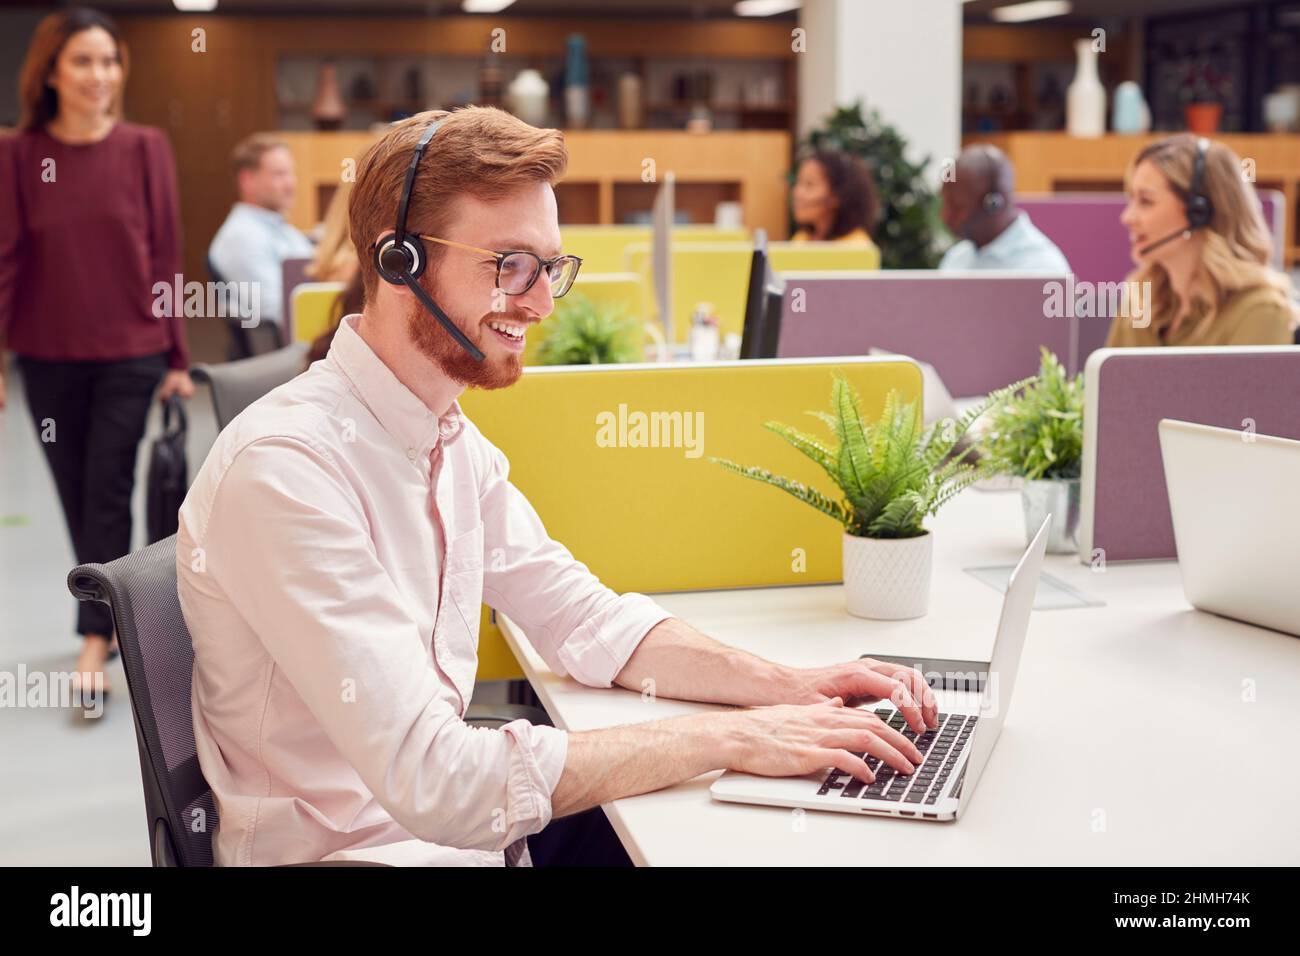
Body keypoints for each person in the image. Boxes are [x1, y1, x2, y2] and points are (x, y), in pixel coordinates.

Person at [177, 106, 938, 867]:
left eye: (550, 269)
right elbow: (436, 779)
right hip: (357, 853)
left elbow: (582, 619)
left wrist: (788, 688)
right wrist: (733, 736)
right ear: (398, 261)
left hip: (452, 839)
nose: (540, 303)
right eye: (509, 266)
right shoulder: (288, 470)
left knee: (757, 821)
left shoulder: (446, 439)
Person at [0, 7, 193, 701]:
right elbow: (7, 258)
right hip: (47, 356)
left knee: (107, 486)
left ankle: (93, 640)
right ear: (50, 72)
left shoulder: (144, 148)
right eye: (82, 61)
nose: (99, 75)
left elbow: (165, 253)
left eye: (109, 61)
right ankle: (112, 618)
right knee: (75, 495)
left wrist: (175, 355)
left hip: (132, 352)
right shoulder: (19, 156)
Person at [1105, 134, 1297, 347]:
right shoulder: (1139, 301)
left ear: (1200, 213)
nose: (1127, 217)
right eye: (1131, 200)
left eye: (1146, 201)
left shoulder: (1260, 313)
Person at [207, 132, 314, 344]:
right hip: (290, 353)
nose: (290, 183)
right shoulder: (243, 237)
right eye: (279, 175)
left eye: (291, 173)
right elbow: (280, 313)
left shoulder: (279, 228)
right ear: (247, 180)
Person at [938, 143, 1071, 273]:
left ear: (993, 205)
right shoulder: (956, 259)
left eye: (957, 207)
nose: (945, 215)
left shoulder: (1041, 267)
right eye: (945, 204)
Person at [790, 148, 880, 249]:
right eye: (798, 182)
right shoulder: (802, 238)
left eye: (809, 184)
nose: (796, 192)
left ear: (837, 196)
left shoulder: (857, 247)